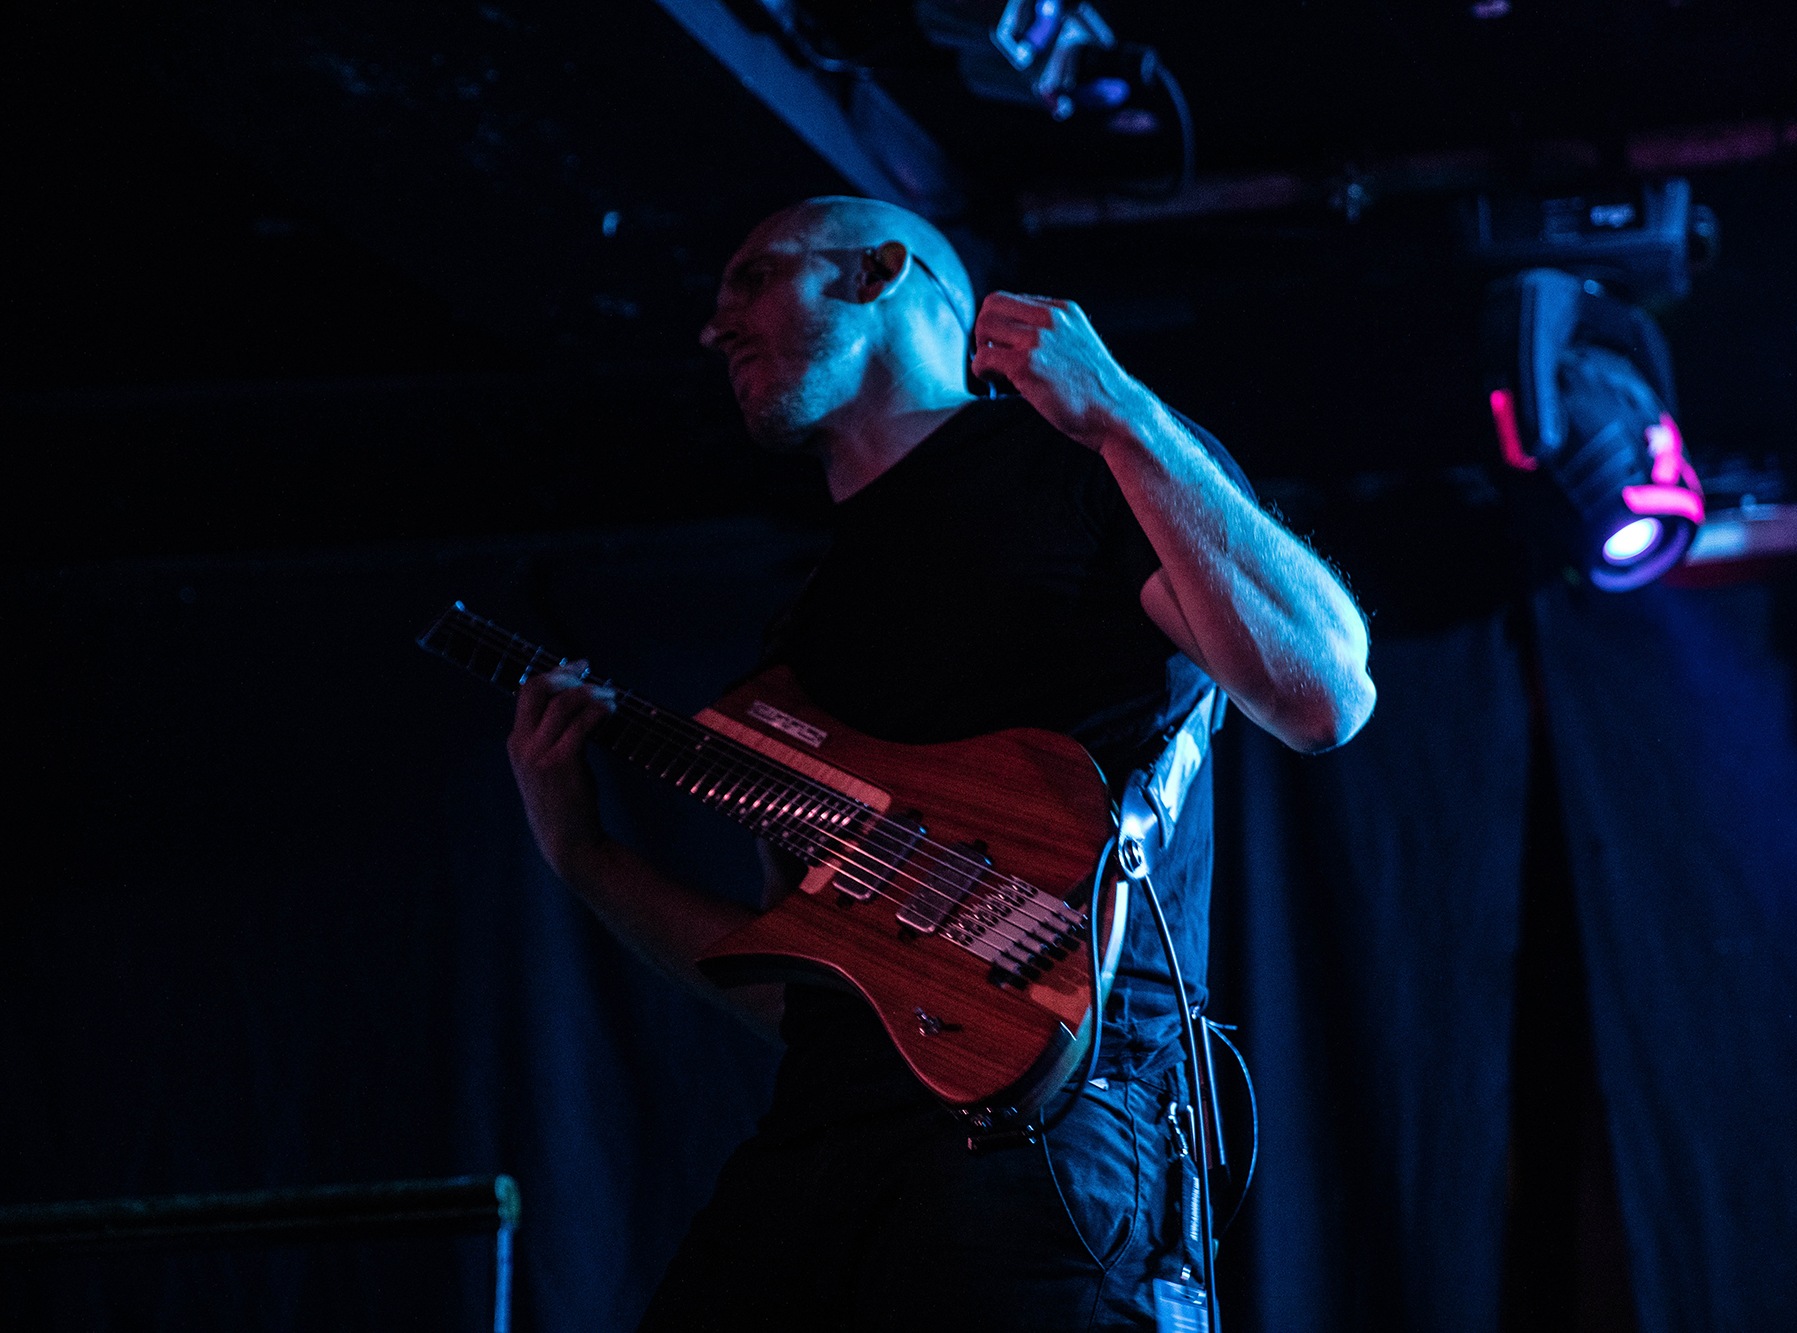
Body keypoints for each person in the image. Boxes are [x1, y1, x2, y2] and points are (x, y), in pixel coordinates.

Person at [505, 196, 1375, 1331]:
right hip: (821, 1149)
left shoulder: (1082, 466)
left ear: (878, 273)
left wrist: (1120, 412)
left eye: (753, 279)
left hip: (1047, 1135)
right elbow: (801, 991)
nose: (714, 327)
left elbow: (1323, 691)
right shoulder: (803, 631)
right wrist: (583, 855)